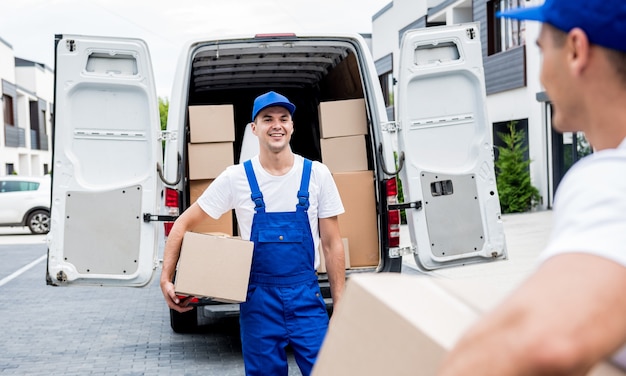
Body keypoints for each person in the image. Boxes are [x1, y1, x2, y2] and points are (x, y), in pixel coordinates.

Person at [438, 0, 626, 374]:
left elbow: (543, 341)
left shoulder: (611, 177)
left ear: (576, 50)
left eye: (540, 51)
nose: (541, 76)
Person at [160, 91, 346, 376]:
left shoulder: (317, 175)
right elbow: (182, 224)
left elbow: (333, 245)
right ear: (254, 128)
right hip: (258, 302)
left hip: (307, 299)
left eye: (284, 118)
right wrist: (166, 277)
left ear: (292, 126)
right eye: (267, 118)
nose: (277, 125)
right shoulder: (236, 178)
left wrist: (342, 307)